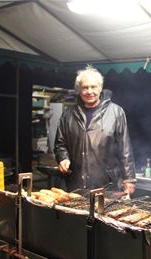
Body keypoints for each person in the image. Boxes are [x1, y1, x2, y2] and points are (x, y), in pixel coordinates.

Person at [54, 65, 136, 194]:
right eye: (85, 87)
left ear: (100, 88)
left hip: (107, 184)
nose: (89, 91)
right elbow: (60, 144)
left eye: (93, 87)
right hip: (76, 184)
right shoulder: (68, 114)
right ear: (79, 90)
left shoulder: (116, 112)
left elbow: (125, 147)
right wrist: (63, 158)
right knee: (77, 214)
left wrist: (129, 178)